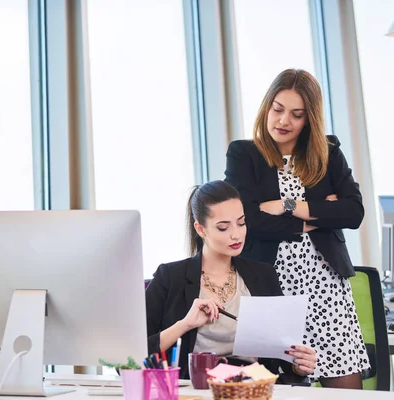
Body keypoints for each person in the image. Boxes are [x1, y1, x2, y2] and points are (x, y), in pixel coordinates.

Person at [224, 69, 370, 389]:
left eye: (296, 114)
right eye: (277, 109)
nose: (283, 121)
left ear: (309, 119)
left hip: (326, 286)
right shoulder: (244, 154)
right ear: (266, 107)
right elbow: (249, 220)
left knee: (344, 385)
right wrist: (318, 216)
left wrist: (286, 205)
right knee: (274, 384)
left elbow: (354, 212)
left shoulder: (328, 154)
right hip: (272, 283)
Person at [145, 180, 317, 383]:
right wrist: (184, 324)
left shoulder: (263, 275)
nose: (236, 234)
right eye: (223, 227)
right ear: (201, 229)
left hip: (253, 387)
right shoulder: (170, 276)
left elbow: (283, 358)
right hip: (198, 388)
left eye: (241, 223)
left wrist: (300, 366)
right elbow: (134, 357)